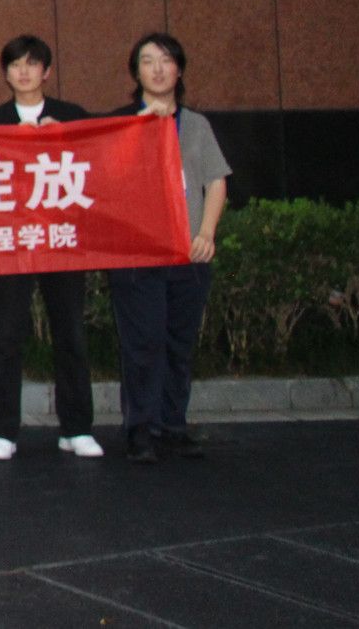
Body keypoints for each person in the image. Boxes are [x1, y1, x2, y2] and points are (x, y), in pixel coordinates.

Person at [108, 32, 229, 464]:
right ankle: (140, 430)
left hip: (188, 253)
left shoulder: (196, 125)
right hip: (137, 254)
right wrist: (145, 125)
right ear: (135, 72)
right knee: (143, 344)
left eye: (166, 60)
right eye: (147, 61)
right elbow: (105, 179)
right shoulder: (120, 124)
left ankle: (172, 426)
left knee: (179, 344)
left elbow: (216, 181)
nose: (157, 69)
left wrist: (207, 233)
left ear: (179, 70)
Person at [0, 34, 98, 461]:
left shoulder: (72, 117)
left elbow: (102, 156)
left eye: (32, 64)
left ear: (46, 71)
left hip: (61, 242)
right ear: (6, 73)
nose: (24, 72)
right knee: (5, 335)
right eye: (16, 65)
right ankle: (2, 431)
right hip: (11, 243)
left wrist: (63, 138)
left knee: (70, 333)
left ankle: (76, 427)